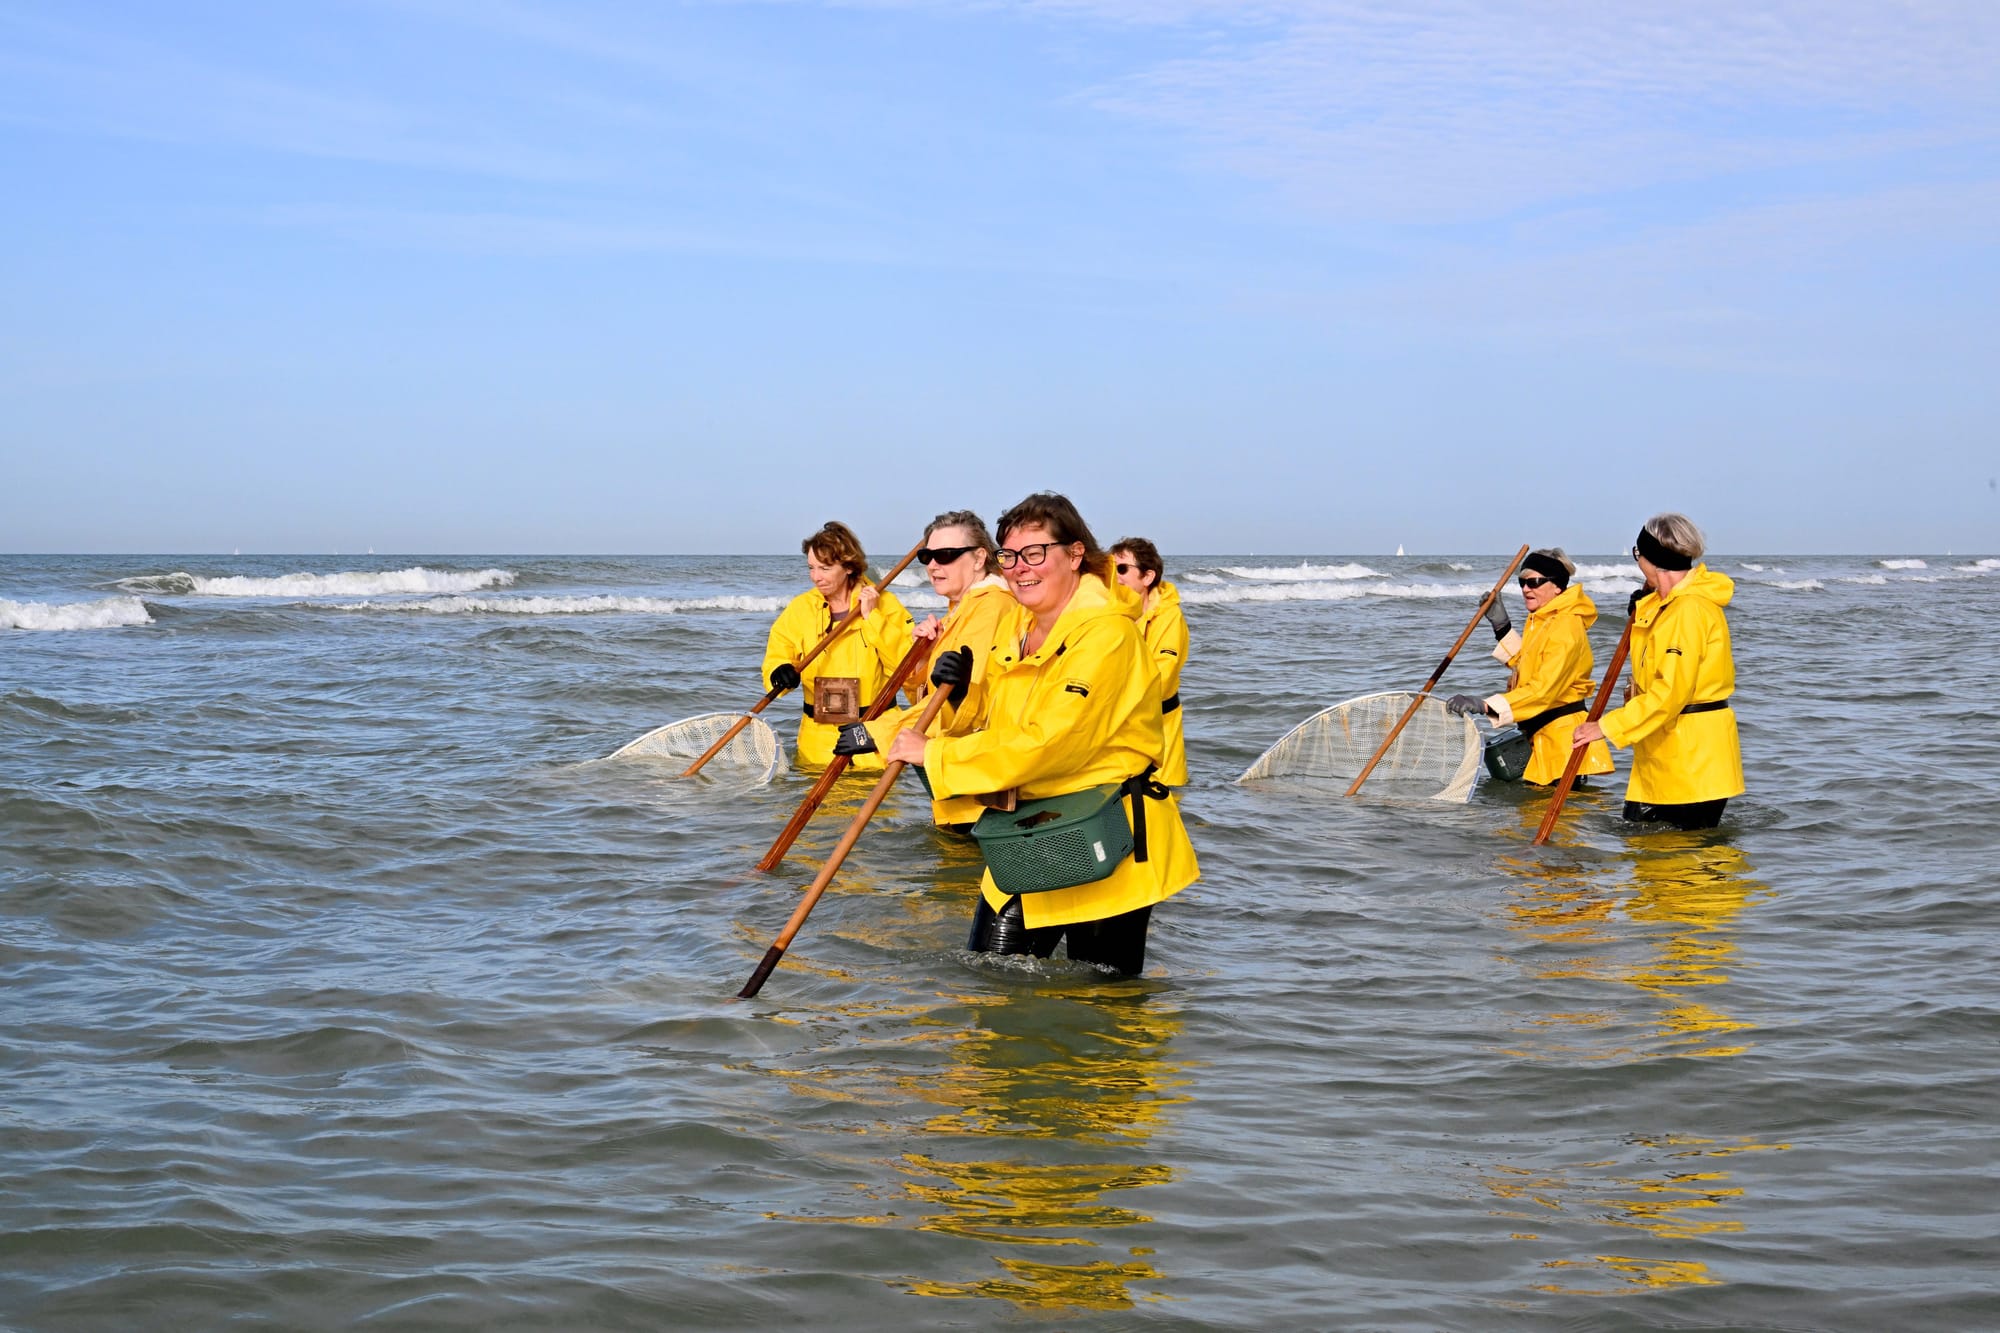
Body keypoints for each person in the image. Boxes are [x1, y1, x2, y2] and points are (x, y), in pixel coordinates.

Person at [884, 493, 1199, 975]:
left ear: (1075, 555)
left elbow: (1051, 741)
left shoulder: (1108, 635)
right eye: (1009, 556)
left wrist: (936, 757)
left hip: (1103, 837)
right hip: (1027, 833)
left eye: (1036, 553)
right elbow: (990, 719)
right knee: (988, 983)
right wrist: (961, 692)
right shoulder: (1021, 626)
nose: (1019, 568)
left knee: (1102, 1015)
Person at [834, 510, 1019, 826]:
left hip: (981, 794)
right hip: (959, 786)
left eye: (945, 555)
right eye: (927, 556)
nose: (933, 566)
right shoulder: (961, 609)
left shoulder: (991, 607)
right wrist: (922, 660)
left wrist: (878, 732)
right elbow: (928, 698)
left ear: (978, 558)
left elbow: (967, 709)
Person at [1571, 513, 1743, 830]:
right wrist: (1645, 608)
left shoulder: (1688, 611)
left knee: (1678, 870)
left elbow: (1670, 693)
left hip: (1692, 762)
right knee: (1650, 859)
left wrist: (1605, 727)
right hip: (1666, 756)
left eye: (1638, 555)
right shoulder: (1664, 607)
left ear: (1651, 560)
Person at [1444, 547, 1613, 785]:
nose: (1525, 589)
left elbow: (1542, 690)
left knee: (1562, 820)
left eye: (1534, 582)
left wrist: (1485, 706)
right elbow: (1528, 663)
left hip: (1564, 745)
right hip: (1542, 738)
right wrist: (1501, 626)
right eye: (1521, 582)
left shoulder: (1565, 627)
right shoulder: (1543, 619)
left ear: (1557, 585)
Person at [762, 521, 913, 771]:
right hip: (816, 746)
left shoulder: (884, 603)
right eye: (811, 567)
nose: (816, 577)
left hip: (873, 738)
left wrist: (873, 618)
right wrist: (779, 672)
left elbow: (906, 667)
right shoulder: (800, 609)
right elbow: (777, 654)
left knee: (878, 810)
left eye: (825, 567)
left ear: (848, 566)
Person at [1111, 537, 1190, 787]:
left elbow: (1163, 678)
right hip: (1119, 729)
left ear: (1147, 577)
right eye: (1111, 569)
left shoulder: (1169, 616)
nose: (1115, 576)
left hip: (1160, 727)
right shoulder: (1111, 613)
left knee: (1165, 796)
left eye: (1122, 569)